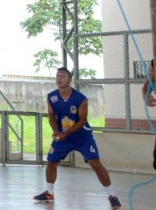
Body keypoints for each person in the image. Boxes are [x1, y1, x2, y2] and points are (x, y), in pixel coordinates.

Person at [33, 67, 121, 208]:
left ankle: (112, 195)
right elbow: (51, 116)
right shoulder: (51, 97)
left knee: (95, 163)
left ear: (69, 80)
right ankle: (49, 193)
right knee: (51, 163)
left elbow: (81, 121)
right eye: (57, 76)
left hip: (82, 136)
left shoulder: (80, 99)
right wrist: (56, 130)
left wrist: (65, 134)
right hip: (62, 137)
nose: (59, 78)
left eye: (62, 76)